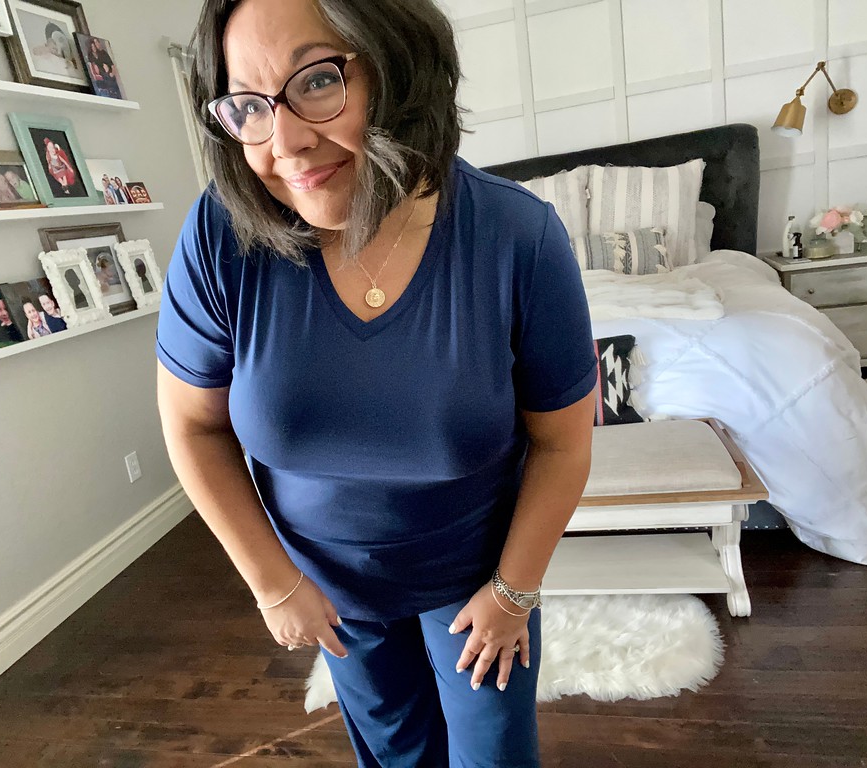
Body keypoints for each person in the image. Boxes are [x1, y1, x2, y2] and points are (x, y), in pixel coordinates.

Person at [156, 1, 597, 766]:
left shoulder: (519, 239)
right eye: (249, 107)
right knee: (396, 753)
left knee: (494, 753)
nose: (285, 142)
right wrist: (274, 585)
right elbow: (194, 426)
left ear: (397, 64)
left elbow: (562, 444)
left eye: (319, 80)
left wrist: (513, 592)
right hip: (327, 588)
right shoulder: (219, 237)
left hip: (475, 577)